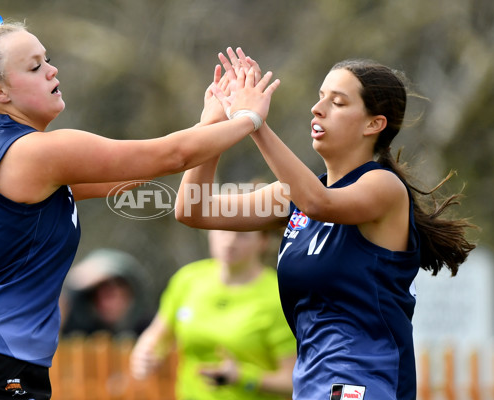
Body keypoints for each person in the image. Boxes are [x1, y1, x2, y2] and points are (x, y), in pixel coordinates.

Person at [0, 16, 280, 400]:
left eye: (47, 59)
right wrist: (249, 118)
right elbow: (171, 156)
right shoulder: (37, 151)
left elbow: (133, 173)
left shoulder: (2, 150)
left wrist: (207, 125)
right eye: (35, 66)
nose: (52, 70)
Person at [174, 48, 477, 400]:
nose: (318, 109)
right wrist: (213, 125)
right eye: (320, 98)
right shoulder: (294, 198)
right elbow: (193, 210)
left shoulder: (383, 188)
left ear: (373, 124)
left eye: (338, 102)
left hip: (364, 384)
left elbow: (319, 203)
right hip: (312, 386)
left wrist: (254, 123)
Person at [130, 229, 296, 400]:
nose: (230, 242)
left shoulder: (278, 296)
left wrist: (242, 377)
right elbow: (158, 334)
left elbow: (292, 381)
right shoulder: (188, 280)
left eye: (242, 235)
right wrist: (145, 353)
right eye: (223, 232)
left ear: (263, 241)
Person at [60, 248, 152, 338]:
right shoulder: (78, 329)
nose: (114, 303)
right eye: (108, 295)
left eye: (120, 295)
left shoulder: (144, 328)